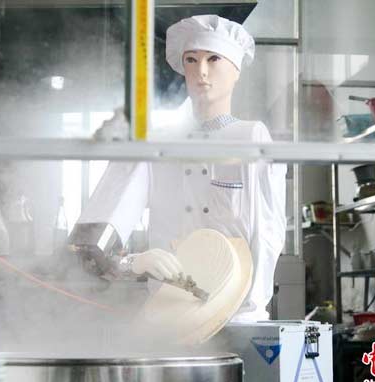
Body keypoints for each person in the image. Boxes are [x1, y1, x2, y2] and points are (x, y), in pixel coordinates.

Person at [74, 15, 286, 322]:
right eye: (191, 60)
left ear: (236, 70)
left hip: (235, 313)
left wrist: (250, 308)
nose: (201, 71)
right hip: (167, 315)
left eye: (214, 59)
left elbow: (268, 233)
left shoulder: (250, 136)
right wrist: (135, 262)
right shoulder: (157, 143)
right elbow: (95, 237)